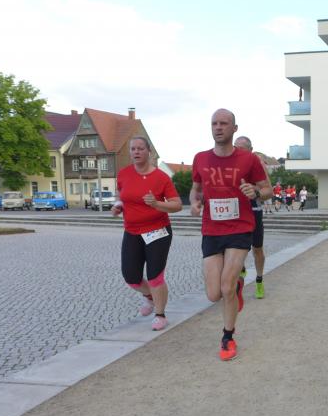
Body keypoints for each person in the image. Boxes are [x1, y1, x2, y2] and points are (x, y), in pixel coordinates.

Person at [190, 109, 272, 361]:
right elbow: (195, 189)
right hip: (211, 230)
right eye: (214, 123)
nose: (218, 127)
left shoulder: (248, 159)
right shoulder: (200, 158)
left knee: (225, 286)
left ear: (234, 128)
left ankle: (228, 337)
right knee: (213, 294)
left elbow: (268, 189)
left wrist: (255, 193)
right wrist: (194, 202)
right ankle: (237, 287)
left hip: (240, 227)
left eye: (224, 123)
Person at [112, 136, 182, 331]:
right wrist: (118, 205)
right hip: (132, 231)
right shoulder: (124, 173)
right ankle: (150, 297)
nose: (136, 152)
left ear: (149, 152)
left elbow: (177, 205)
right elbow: (121, 193)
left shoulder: (161, 177)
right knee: (130, 276)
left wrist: (157, 204)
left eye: (140, 148)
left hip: (158, 231)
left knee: (155, 276)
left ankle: (160, 314)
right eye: (133, 149)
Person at [234, 135, 271, 300]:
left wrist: (254, 190)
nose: (238, 150)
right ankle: (239, 273)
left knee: (257, 249)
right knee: (235, 247)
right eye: (236, 147)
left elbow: (268, 191)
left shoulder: (257, 163)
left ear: (250, 150)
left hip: (254, 210)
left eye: (241, 148)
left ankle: (259, 279)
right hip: (236, 211)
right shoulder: (230, 163)